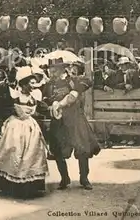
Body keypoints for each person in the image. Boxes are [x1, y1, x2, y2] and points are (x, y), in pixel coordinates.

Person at [0, 66, 49, 199]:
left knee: (31, 155)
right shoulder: (14, 95)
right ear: (23, 83)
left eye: (34, 83)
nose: (33, 86)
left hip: (30, 128)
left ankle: (30, 186)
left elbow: (44, 108)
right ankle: (10, 186)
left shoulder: (35, 96)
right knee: (12, 153)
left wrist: (55, 109)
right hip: (14, 126)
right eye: (31, 83)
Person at [43, 58, 100, 190]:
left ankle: (84, 178)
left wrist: (75, 90)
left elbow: (88, 81)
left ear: (63, 69)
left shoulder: (73, 80)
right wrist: (50, 106)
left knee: (82, 149)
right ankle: (64, 178)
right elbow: (43, 100)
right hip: (58, 121)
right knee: (57, 150)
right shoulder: (49, 85)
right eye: (51, 70)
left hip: (75, 120)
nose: (52, 72)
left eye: (55, 69)